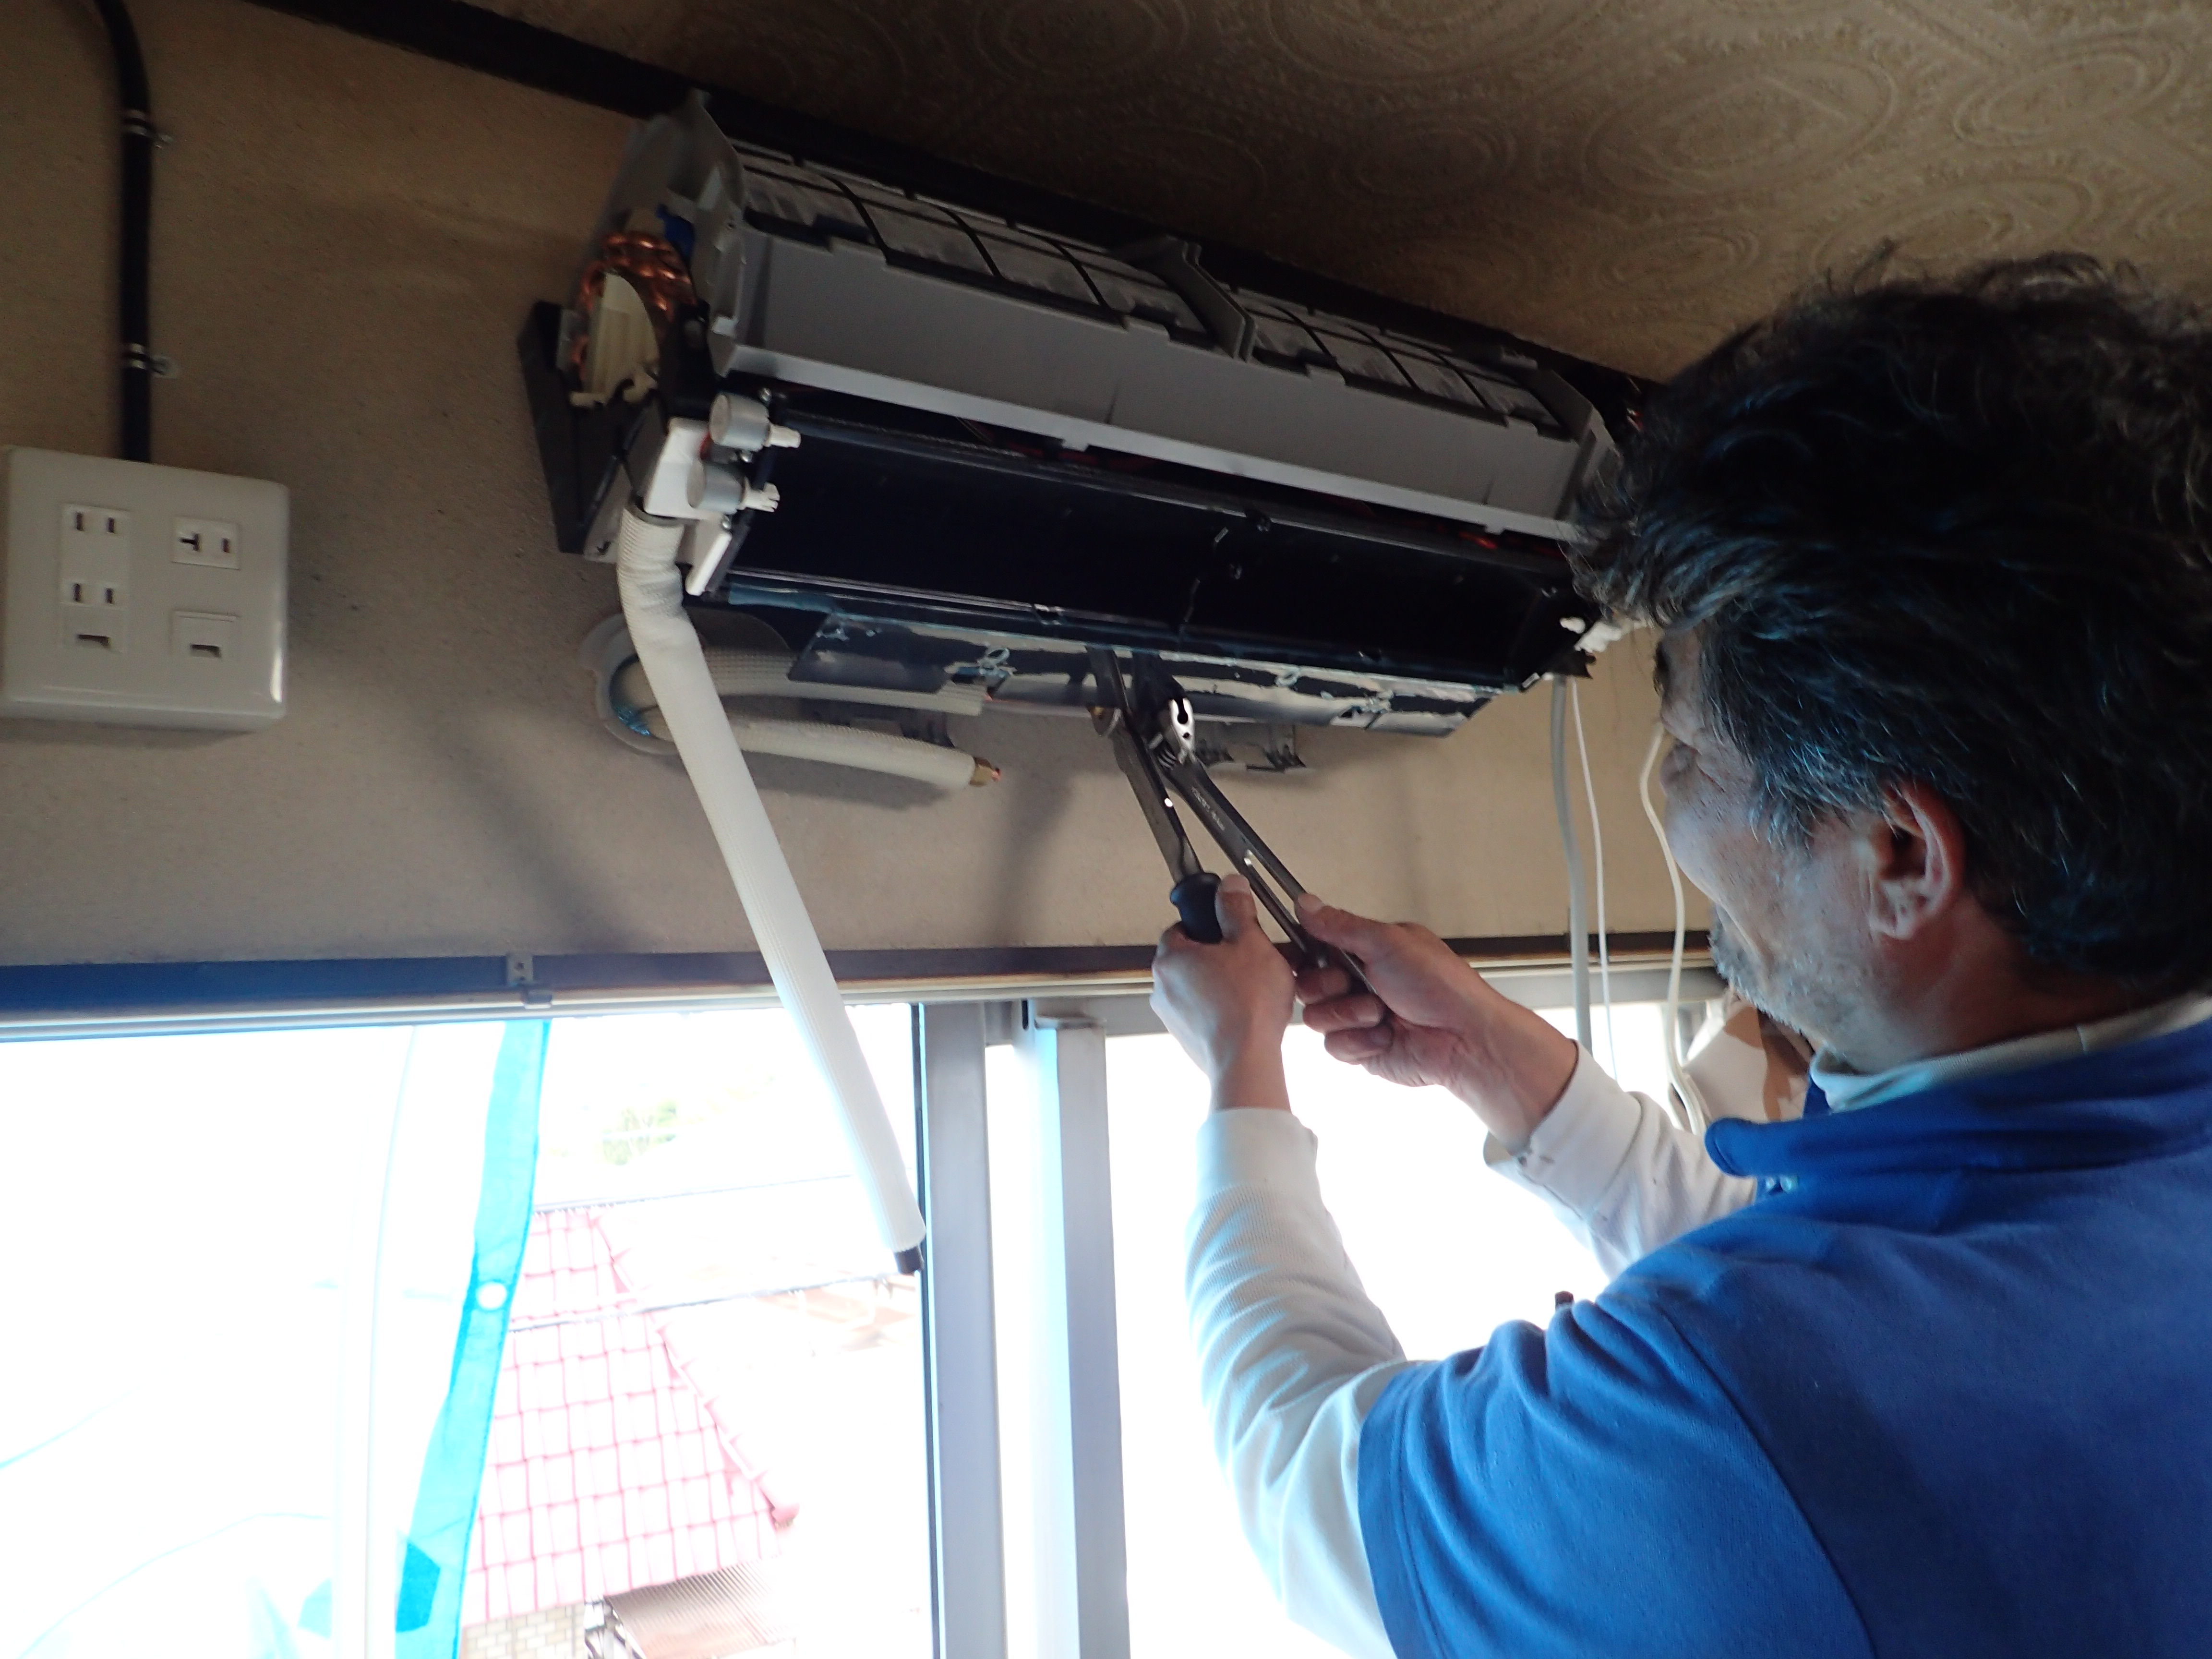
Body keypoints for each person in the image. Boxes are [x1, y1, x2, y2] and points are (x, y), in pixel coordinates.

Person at [1152, 256, 2212, 1659]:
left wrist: (1240, 1071)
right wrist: (1502, 1064)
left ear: (1903, 855)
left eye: (1693, 750)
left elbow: (1304, 1485)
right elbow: (1859, 1296)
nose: (1659, 797)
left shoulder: (1731, 1409)